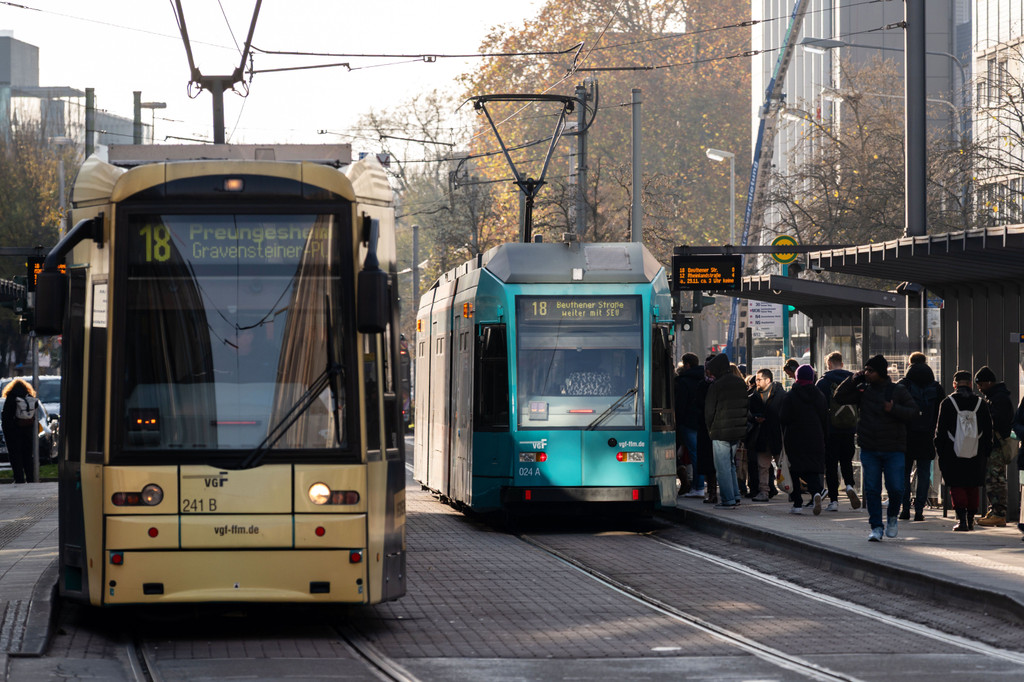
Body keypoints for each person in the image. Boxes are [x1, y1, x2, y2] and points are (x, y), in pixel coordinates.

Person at [835, 354, 919, 542]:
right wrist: (852, 379)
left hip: (894, 448)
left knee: (896, 488)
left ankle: (891, 517)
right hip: (870, 448)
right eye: (866, 370)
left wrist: (894, 409)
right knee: (872, 490)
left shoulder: (897, 390)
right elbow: (839, 397)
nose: (867, 373)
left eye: (870, 371)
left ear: (880, 372)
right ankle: (876, 527)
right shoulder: (863, 390)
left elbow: (914, 412)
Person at [934, 371, 992, 531]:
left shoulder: (947, 403)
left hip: (953, 452)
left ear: (955, 384)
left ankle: (961, 520)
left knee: (957, 484)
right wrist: (986, 451)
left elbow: (940, 432)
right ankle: (971, 519)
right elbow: (988, 431)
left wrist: (941, 451)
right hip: (977, 451)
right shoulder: (981, 404)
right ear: (970, 384)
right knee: (972, 485)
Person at [896, 352, 944, 521]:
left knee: (903, 474)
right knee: (924, 474)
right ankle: (919, 511)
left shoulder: (903, 385)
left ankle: (905, 509)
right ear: (925, 363)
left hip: (906, 437)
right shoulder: (936, 388)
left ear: (910, 364)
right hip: (927, 437)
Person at [815, 351, 861, 512]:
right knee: (847, 460)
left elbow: (817, 407)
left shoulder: (823, 382)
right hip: (849, 428)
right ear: (841, 364)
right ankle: (849, 485)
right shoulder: (853, 380)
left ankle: (833, 501)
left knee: (831, 465)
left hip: (830, 430)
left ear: (828, 365)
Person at [779, 364, 828, 515]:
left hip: (795, 438)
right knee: (812, 468)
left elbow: (783, 417)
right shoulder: (819, 395)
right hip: (815, 437)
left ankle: (797, 503)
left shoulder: (791, 395)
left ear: (797, 377)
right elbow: (825, 418)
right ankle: (816, 492)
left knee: (795, 469)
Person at [704, 352, 749, 509]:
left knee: (722, 467)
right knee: (730, 465)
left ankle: (728, 499)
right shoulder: (740, 382)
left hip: (720, 431)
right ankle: (735, 495)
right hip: (737, 431)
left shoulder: (716, 385)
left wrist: (710, 429)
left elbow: (709, 411)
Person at [974, 366, 1015, 527]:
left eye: (981, 385)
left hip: (997, 445)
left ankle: (999, 512)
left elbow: (999, 421)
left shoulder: (999, 399)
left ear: (989, 382)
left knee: (995, 478)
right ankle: (995, 510)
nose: (980, 388)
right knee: (992, 478)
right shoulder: (995, 397)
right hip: (994, 444)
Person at [747, 368, 784, 502]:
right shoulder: (754, 396)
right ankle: (764, 491)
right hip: (761, 436)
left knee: (783, 465)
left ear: (768, 380)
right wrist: (754, 418)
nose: (756, 382)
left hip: (776, 436)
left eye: (759, 379)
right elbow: (748, 414)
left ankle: (792, 489)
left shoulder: (780, 395)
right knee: (762, 466)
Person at [674, 353, 706, 497]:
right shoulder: (705, 378)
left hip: (688, 423)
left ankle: (698, 487)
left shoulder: (684, 381)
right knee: (699, 454)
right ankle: (699, 485)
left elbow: (681, 405)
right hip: (703, 422)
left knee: (694, 455)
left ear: (687, 365)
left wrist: (678, 422)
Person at [1, 378, 38, 484]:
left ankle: (19, 479)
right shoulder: (29, 398)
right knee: (27, 455)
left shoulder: (11, 397)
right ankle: (30, 478)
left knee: (15, 455)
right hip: (27, 432)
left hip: (14, 432)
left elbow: (6, 417)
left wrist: (7, 430)